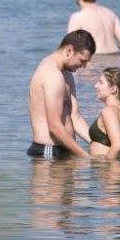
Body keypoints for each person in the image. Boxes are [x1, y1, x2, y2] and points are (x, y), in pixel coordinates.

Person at [27, 29, 96, 159]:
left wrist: (97, 144)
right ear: (69, 50)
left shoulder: (66, 74)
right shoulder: (52, 75)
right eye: (82, 60)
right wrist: (85, 156)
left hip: (64, 150)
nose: (84, 66)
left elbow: (75, 117)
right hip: (49, 153)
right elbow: (54, 126)